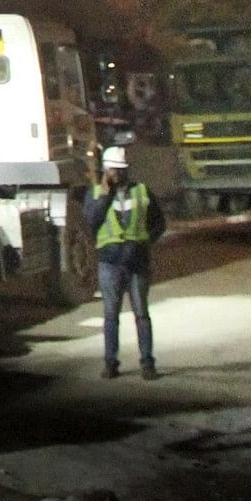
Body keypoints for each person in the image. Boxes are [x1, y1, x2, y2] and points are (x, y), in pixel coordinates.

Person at [90, 144, 167, 379]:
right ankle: (111, 363)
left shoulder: (142, 191)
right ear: (105, 170)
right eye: (114, 170)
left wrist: (145, 242)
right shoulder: (95, 194)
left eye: (122, 170)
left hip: (137, 263)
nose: (119, 174)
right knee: (111, 315)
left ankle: (148, 364)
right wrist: (104, 195)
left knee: (141, 314)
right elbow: (91, 222)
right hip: (110, 263)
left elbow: (159, 223)